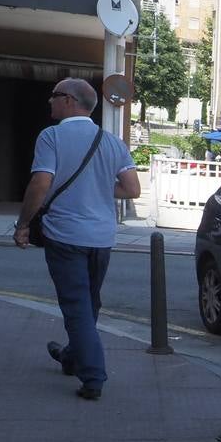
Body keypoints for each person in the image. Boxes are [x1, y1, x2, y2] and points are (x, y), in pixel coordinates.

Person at [13, 78, 141, 400]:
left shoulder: (51, 136)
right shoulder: (112, 142)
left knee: (77, 307)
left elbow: (41, 183)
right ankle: (71, 355)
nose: (49, 102)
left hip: (66, 235)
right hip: (101, 238)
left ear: (69, 100)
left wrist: (23, 223)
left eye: (54, 96)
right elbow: (131, 189)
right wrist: (98, 187)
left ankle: (93, 377)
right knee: (89, 302)